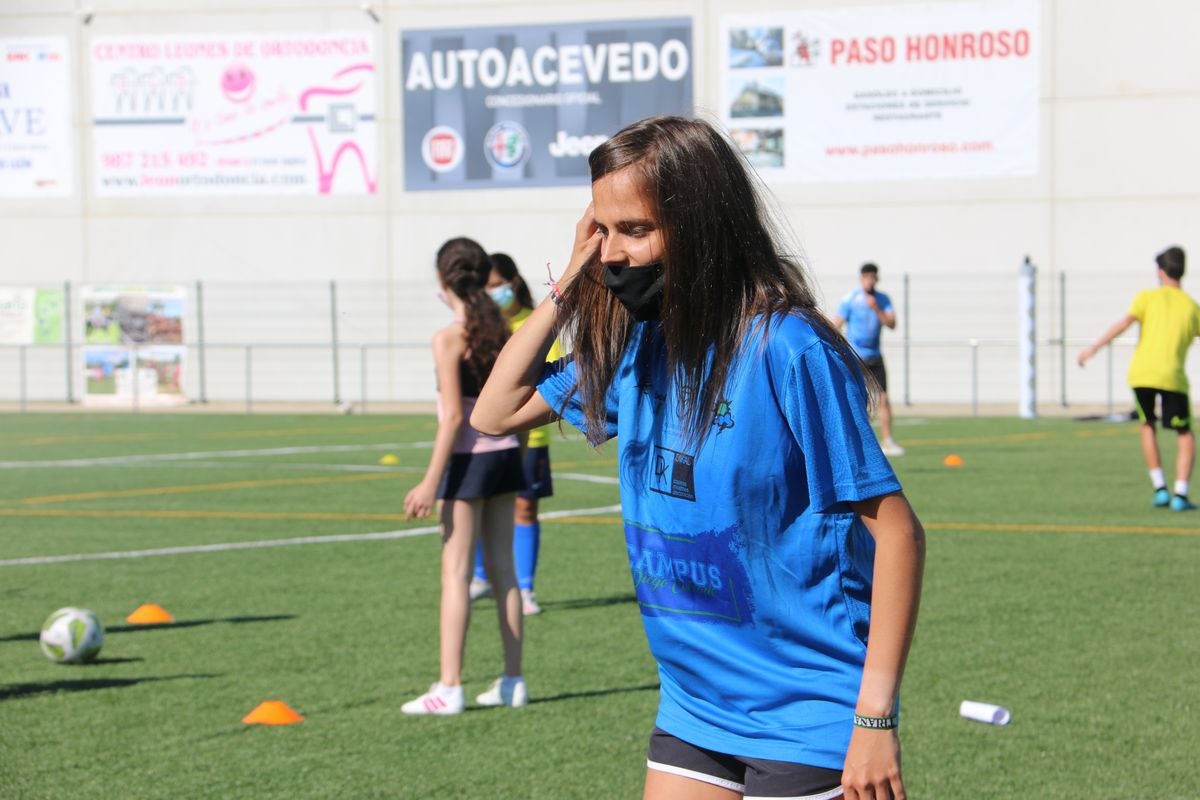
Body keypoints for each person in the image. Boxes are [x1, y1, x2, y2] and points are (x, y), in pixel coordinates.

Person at [472, 116, 925, 800]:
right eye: (601, 230)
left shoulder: (787, 347)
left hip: (806, 710)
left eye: (634, 230)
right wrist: (570, 282)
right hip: (694, 704)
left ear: (700, 226)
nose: (612, 254)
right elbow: (495, 411)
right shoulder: (638, 346)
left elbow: (897, 532)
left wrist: (875, 717)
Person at [401, 237, 528, 715]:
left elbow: (453, 417)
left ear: (443, 279)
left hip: (468, 461)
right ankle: (513, 680)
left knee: (456, 575)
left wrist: (430, 482)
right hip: (505, 455)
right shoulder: (502, 329)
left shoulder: (449, 337)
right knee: (504, 572)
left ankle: (449, 687)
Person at [469, 253, 566, 615]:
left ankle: (525, 588)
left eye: (498, 284)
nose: (493, 292)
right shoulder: (479, 326)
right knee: (482, 506)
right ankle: (481, 578)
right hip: (485, 438)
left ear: (513, 282)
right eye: (487, 286)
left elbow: (553, 376)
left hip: (530, 438)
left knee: (524, 509)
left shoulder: (535, 321)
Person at [1078, 245, 1200, 511]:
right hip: (1172, 376)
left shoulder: (1147, 297)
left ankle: (1160, 489)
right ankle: (1180, 494)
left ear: (1160, 271)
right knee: (1184, 434)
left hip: (1141, 374)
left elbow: (1123, 324)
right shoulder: (1192, 307)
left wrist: (1093, 349)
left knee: (1147, 425)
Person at [833, 263, 905, 456]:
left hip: (875, 357)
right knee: (856, 399)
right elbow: (837, 323)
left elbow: (892, 324)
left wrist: (877, 309)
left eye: (873, 277)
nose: (870, 281)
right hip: (856, 357)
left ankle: (888, 441)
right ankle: (856, 442)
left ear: (877, 279)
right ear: (861, 279)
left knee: (883, 398)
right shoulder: (851, 299)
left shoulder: (882, 300)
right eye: (866, 277)